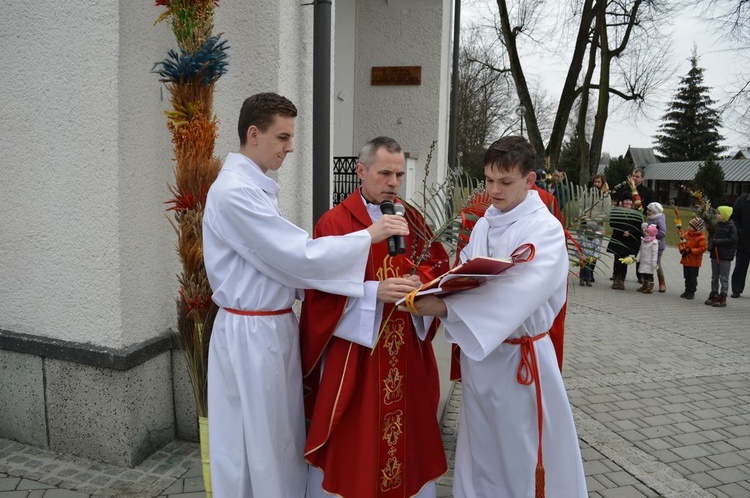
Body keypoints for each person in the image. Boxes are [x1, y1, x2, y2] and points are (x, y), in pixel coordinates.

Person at [201, 94, 409, 497]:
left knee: (278, 437)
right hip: (251, 336)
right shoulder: (234, 193)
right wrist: (369, 235)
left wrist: (361, 290)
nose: (290, 147)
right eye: (283, 136)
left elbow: (287, 266)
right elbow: (297, 255)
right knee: (257, 443)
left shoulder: (256, 188)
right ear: (253, 133)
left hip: (271, 328)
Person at [400, 136, 587, 498]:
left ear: (530, 180)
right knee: (480, 448)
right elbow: (465, 274)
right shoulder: (486, 222)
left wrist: (445, 307)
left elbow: (519, 292)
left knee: (519, 451)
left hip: (521, 361)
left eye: (505, 182)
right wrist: (428, 288)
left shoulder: (544, 230)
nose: (493, 190)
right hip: (482, 360)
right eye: (488, 180)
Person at [300, 137, 449, 498]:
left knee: (407, 437)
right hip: (358, 358)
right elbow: (319, 291)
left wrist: (420, 283)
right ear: (361, 171)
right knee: (359, 441)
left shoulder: (409, 217)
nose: (394, 182)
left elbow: (436, 264)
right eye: (385, 173)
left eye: (398, 174)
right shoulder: (335, 222)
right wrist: (371, 293)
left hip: (405, 352)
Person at [606, 192, 643, 290]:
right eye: (626, 200)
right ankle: (616, 278)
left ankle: (622, 278)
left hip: (628, 239)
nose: (627, 202)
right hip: (618, 237)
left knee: (624, 260)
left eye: (629, 200)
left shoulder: (635, 212)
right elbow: (613, 223)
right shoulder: (616, 211)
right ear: (622, 201)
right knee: (617, 259)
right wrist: (622, 231)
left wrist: (630, 232)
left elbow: (638, 225)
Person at [705, 205, 738, 307]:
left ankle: (722, 297)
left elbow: (732, 240)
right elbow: (711, 237)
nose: (717, 215)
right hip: (715, 254)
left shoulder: (731, 227)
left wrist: (717, 242)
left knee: (724, 277)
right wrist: (711, 244)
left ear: (725, 215)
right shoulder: (716, 226)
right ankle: (714, 293)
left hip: (725, 256)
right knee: (714, 276)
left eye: (719, 213)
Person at [621, 224, 659, 294]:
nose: (645, 232)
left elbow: (655, 253)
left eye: (647, 232)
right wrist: (637, 258)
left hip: (649, 262)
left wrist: (654, 262)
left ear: (651, 233)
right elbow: (640, 250)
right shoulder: (643, 240)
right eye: (645, 231)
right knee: (644, 273)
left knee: (649, 274)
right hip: (643, 260)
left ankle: (650, 287)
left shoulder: (654, 242)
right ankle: (644, 285)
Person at [679, 217, 708, 300]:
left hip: (694, 261)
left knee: (692, 277)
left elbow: (702, 248)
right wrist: (682, 250)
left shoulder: (701, 237)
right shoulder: (686, 234)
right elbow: (681, 242)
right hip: (686, 259)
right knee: (686, 276)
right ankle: (686, 290)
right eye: (689, 225)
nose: (689, 227)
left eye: (691, 226)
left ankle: (691, 291)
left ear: (696, 228)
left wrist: (691, 251)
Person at [730, 192, 750, 298]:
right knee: (740, 267)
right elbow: (734, 218)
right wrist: (739, 232)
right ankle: (736, 290)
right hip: (743, 242)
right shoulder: (742, 200)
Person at [645, 202, 668, 292]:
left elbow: (662, 233)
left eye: (650, 210)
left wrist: (652, 234)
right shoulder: (650, 219)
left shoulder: (659, 220)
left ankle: (662, 283)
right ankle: (648, 282)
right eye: (647, 210)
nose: (648, 212)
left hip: (657, 246)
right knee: (648, 264)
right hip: (648, 245)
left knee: (657, 264)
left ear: (655, 211)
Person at [578, 220, 601, 287]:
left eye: (590, 229)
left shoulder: (596, 239)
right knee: (582, 267)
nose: (589, 230)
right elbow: (578, 246)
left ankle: (588, 279)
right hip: (583, 256)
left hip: (590, 257)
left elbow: (597, 248)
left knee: (588, 268)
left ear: (594, 230)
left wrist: (594, 256)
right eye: (588, 228)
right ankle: (581, 279)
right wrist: (580, 255)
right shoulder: (582, 237)